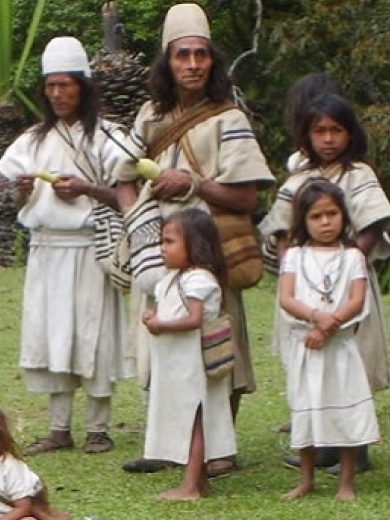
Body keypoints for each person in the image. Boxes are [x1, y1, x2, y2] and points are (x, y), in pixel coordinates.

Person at [112, 3, 275, 477]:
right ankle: (166, 444)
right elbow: (122, 176)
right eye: (182, 55)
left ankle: (220, 450)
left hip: (210, 249)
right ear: (168, 61)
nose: (193, 65)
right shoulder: (148, 115)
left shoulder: (229, 119)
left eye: (201, 55)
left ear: (213, 60)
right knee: (159, 342)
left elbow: (245, 196)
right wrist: (136, 217)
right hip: (158, 248)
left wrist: (192, 185)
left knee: (216, 345)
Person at [0, 36, 132, 456]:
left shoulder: (110, 138)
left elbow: (128, 194)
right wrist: (23, 191)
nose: (57, 94)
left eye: (66, 85)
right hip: (47, 248)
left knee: (94, 334)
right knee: (52, 333)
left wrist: (87, 188)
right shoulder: (33, 140)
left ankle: (98, 427)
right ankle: (58, 427)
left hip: (92, 247)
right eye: (51, 86)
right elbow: (20, 199)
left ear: (83, 87)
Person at [258, 92, 390, 476]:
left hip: (349, 286)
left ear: (350, 134)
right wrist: (292, 267)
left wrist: (350, 258)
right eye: (320, 131)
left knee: (351, 365)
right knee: (310, 366)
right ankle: (318, 445)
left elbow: (373, 223)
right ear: (307, 134)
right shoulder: (299, 178)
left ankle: (356, 446)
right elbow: (282, 227)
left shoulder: (359, 175)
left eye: (337, 130)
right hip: (304, 287)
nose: (329, 139)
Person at [277, 180, 379, 501]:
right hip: (305, 348)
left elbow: (356, 300)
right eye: (316, 216)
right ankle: (307, 480)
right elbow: (286, 297)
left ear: (343, 216)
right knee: (305, 410)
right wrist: (314, 317)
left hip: (339, 348)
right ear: (303, 221)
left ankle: (346, 482)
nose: (325, 222)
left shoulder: (353, 257)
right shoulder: (294, 255)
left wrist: (327, 326)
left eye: (332, 214)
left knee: (344, 411)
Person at [140, 209, 235, 501]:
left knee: (194, 419)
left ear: (195, 245)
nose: (162, 248)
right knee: (185, 417)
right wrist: (153, 314)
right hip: (174, 364)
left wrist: (160, 325)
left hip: (192, 365)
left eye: (169, 242)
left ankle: (190, 484)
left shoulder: (200, 279)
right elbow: (170, 307)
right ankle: (200, 479)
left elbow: (194, 319)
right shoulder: (170, 279)